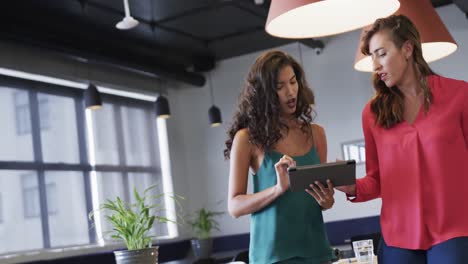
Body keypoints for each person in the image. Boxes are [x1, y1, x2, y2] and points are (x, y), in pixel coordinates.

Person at [337, 15, 468, 263]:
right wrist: (351, 187)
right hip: (398, 235)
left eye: (381, 53)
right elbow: (376, 180)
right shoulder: (372, 113)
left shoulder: (460, 96)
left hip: (455, 230)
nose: (375, 65)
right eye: (371, 57)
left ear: (407, 49)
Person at [224, 50, 335, 264]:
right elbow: (234, 206)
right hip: (271, 257)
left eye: (293, 82)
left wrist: (327, 201)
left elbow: (317, 201)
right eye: (279, 86)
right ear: (264, 93)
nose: (290, 92)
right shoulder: (247, 138)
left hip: (317, 253)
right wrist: (277, 190)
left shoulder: (317, 133)